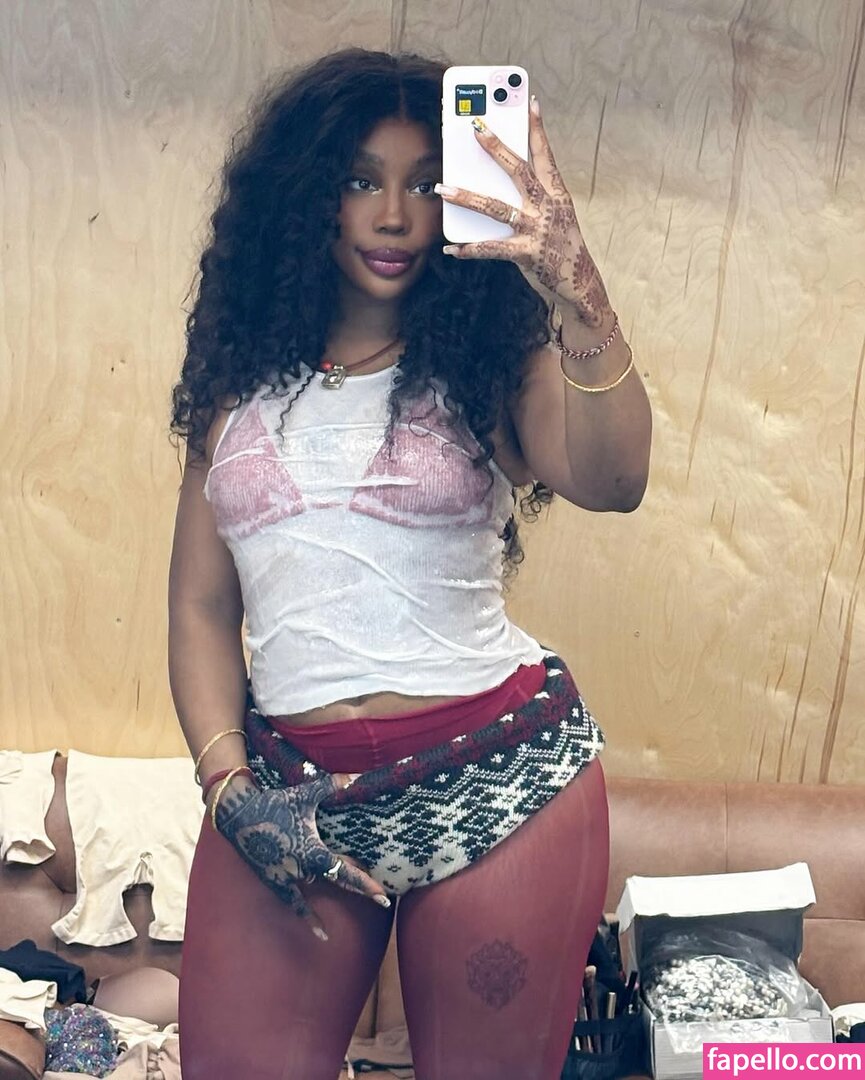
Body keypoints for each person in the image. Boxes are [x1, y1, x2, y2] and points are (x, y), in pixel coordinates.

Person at [168, 48, 651, 1080]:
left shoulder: (495, 371)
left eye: (427, 186)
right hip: (288, 792)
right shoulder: (236, 390)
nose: (393, 216)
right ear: (305, 199)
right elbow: (203, 607)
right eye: (360, 180)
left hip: (500, 782)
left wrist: (577, 287)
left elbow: (615, 481)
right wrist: (227, 783)